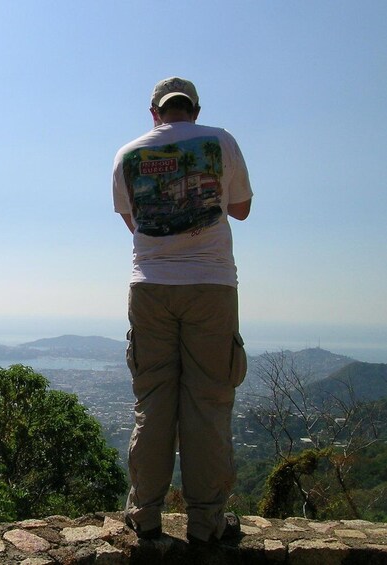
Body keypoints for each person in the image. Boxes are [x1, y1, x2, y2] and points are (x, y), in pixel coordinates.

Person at [112, 77, 253, 545]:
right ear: (194, 109)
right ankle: (206, 523)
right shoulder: (220, 141)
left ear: (153, 112)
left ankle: (145, 516)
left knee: (152, 403)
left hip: (150, 287)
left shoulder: (128, 156)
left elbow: (135, 223)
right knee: (208, 403)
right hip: (211, 285)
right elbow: (241, 209)